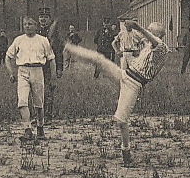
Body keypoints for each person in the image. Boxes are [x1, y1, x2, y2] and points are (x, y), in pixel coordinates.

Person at [65, 19, 169, 167]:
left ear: (157, 34)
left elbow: (153, 40)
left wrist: (138, 27)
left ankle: (126, 152)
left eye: (150, 31)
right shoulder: (148, 46)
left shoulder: (162, 48)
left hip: (134, 84)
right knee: (98, 59)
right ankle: (67, 46)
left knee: (121, 120)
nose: (147, 33)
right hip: (125, 75)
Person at [6, 17, 56, 142]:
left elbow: (51, 59)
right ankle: (27, 130)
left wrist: (53, 78)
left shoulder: (43, 40)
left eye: (30, 24)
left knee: (38, 104)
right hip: (22, 71)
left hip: (37, 71)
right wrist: (11, 73)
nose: (27, 26)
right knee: (22, 101)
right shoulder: (19, 40)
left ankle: (40, 128)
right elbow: (8, 57)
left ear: (36, 26)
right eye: (25, 24)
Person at [37, 7, 64, 121]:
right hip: (37, 65)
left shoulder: (54, 33)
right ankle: (38, 115)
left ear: (49, 19)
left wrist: (59, 68)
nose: (43, 19)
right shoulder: (35, 32)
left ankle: (48, 115)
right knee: (37, 90)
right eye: (41, 17)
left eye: (46, 17)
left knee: (49, 90)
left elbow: (58, 51)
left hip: (49, 66)